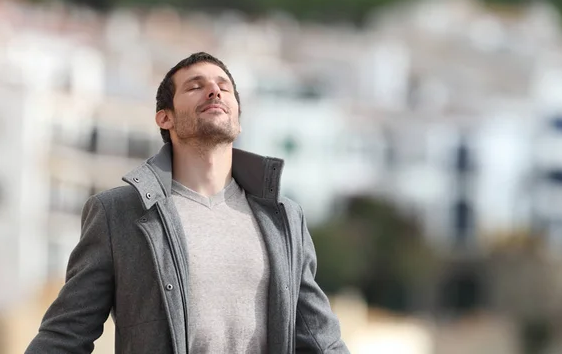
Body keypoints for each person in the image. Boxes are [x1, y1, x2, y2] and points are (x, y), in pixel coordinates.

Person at [26, 52, 349, 354]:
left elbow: (320, 337)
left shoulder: (284, 216)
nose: (214, 91)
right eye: (196, 86)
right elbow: (66, 334)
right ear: (165, 118)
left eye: (224, 87)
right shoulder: (119, 212)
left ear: (237, 115)